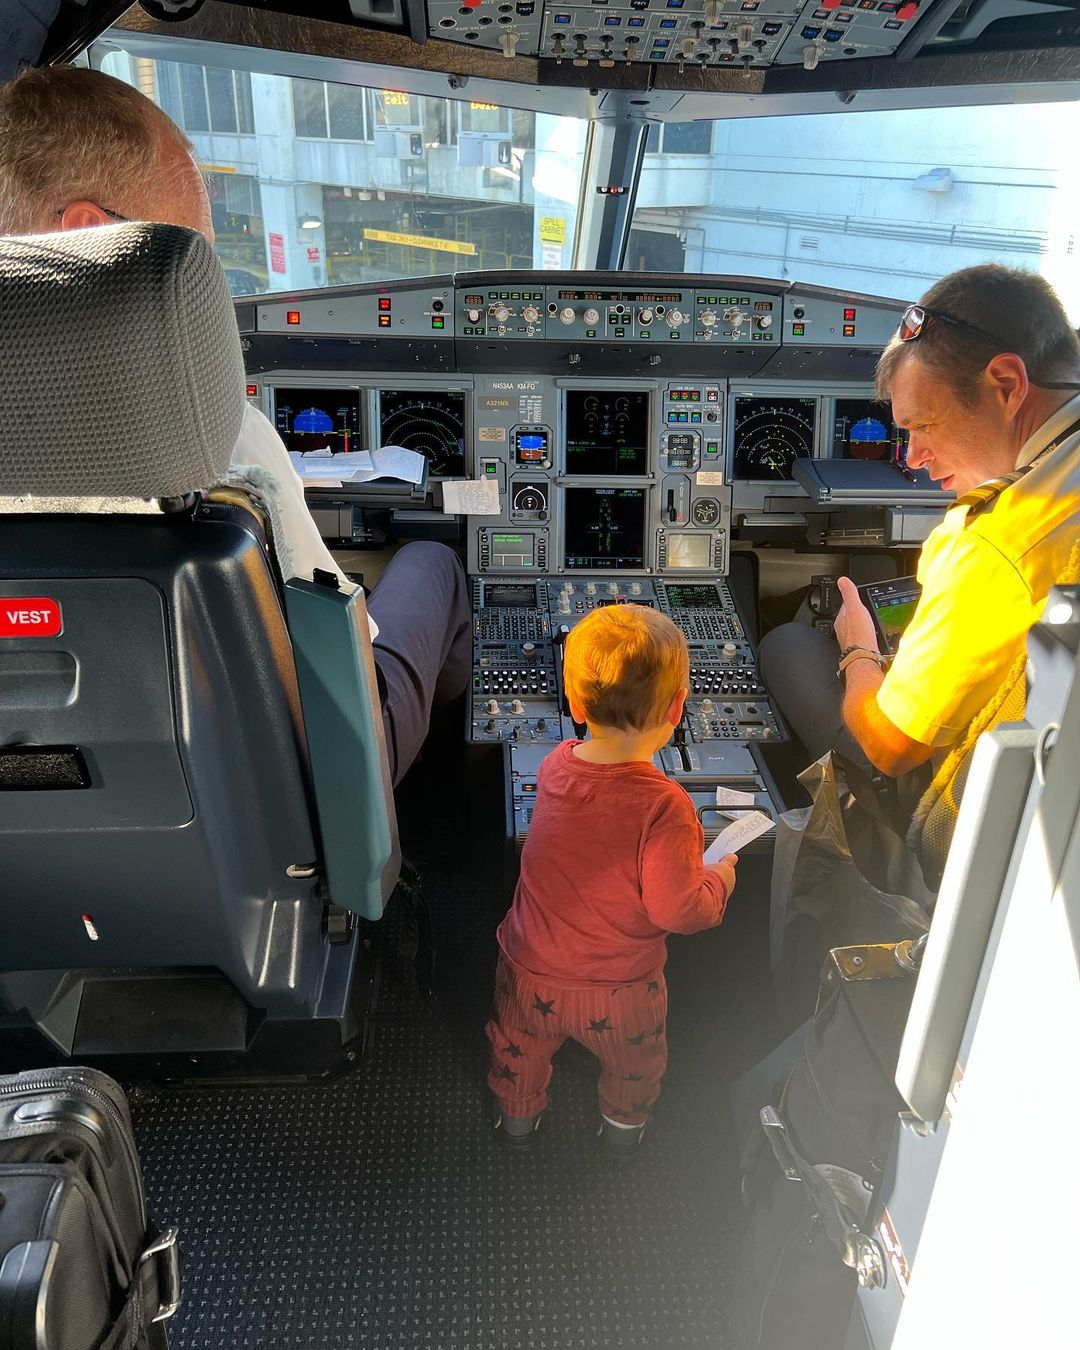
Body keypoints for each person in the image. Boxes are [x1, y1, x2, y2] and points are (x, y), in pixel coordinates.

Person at [0, 66, 470, 785]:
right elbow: (342, 659)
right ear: (92, 236)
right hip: (294, 788)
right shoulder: (208, 420)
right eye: (195, 252)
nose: (211, 284)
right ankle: (457, 770)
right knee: (432, 564)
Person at [760, 265, 1080, 868]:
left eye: (923, 426)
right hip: (1059, 795)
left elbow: (891, 746)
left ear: (1007, 383)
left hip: (978, 826)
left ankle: (873, 857)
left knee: (788, 643)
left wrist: (858, 651)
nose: (912, 458)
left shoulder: (1000, 540)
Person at [485, 606, 738, 1158]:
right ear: (677, 708)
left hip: (529, 973)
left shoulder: (555, 764)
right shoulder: (667, 807)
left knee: (518, 1049)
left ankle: (517, 1124)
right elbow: (679, 910)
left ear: (575, 705)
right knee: (634, 1065)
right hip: (620, 992)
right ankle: (623, 1132)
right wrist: (718, 879)